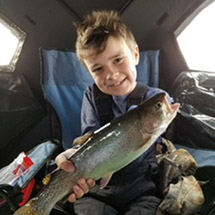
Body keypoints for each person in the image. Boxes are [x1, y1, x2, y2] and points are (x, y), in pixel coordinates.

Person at [55, 10, 172, 215]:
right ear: (89, 73)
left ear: (135, 55)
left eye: (118, 60)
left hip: (141, 190)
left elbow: (159, 134)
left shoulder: (156, 98)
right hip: (98, 189)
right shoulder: (91, 96)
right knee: (85, 208)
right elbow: (90, 137)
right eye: (98, 69)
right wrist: (74, 157)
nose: (112, 74)